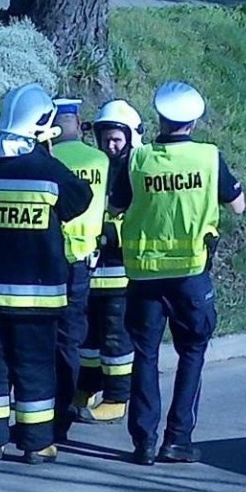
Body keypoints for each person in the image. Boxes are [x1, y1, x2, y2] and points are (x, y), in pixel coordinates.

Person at [0, 84, 93, 464]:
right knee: (34, 368)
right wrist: (49, 155)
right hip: (38, 295)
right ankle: (35, 443)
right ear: (41, 125)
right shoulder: (46, 169)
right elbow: (81, 199)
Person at [113, 81, 246, 465]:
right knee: (192, 351)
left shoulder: (138, 160)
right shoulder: (208, 157)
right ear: (194, 121)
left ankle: (144, 442)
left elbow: (118, 206)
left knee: (145, 354)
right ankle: (178, 438)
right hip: (190, 273)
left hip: (144, 273)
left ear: (160, 117)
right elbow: (237, 205)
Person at [75, 100, 144, 422]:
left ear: (131, 137)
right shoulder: (97, 166)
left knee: (116, 337)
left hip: (121, 270)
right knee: (88, 336)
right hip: (92, 268)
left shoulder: (139, 169)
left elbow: (140, 215)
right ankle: (86, 388)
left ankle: (117, 397)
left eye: (116, 139)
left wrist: (110, 231)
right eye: (106, 139)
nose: (111, 145)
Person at [45, 98, 107, 444]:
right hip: (83, 261)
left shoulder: (49, 160)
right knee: (71, 340)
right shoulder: (99, 160)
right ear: (79, 121)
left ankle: (37, 411)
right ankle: (66, 410)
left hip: (48, 259)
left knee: (41, 339)